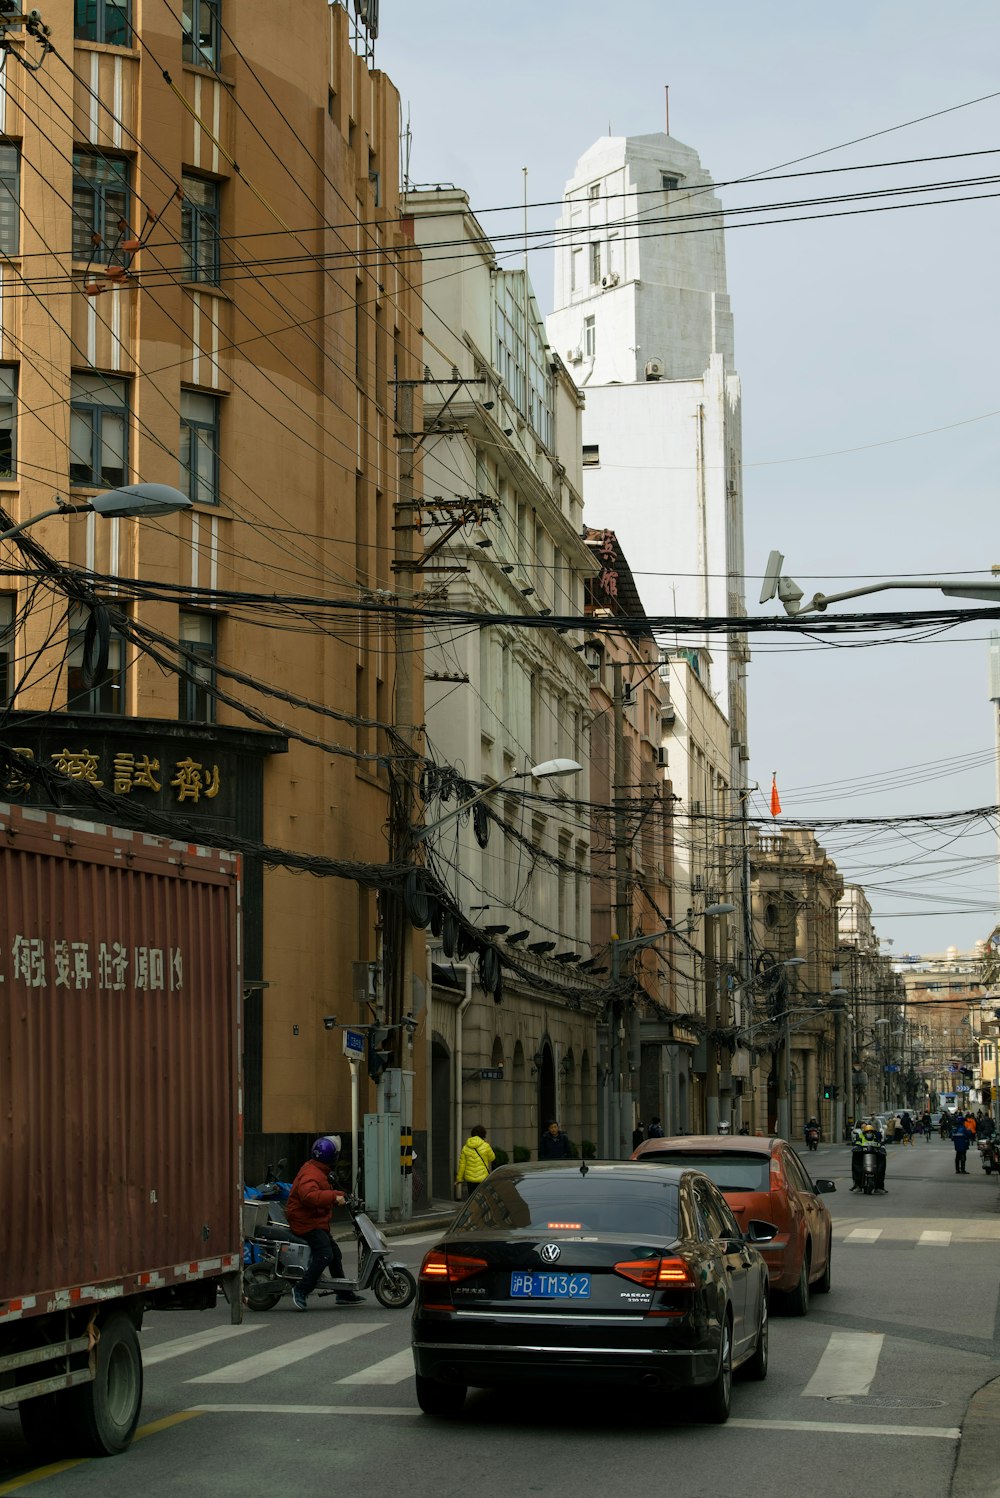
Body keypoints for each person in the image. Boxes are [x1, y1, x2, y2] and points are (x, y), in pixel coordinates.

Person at [286, 1137, 364, 1311]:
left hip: (315, 1221)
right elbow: (309, 1196)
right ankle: (301, 1289)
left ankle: (342, 1292)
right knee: (325, 1254)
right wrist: (333, 1197)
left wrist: (342, 1195)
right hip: (306, 1222)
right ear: (331, 1157)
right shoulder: (311, 1173)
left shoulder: (318, 1170)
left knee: (335, 1253)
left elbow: (323, 1191)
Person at [456, 1123, 495, 1194]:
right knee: (481, 1198)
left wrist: (459, 1178)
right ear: (483, 1135)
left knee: (472, 1199)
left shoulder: (465, 1147)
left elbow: (462, 1164)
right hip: (482, 1178)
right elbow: (492, 1158)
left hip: (470, 1179)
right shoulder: (486, 1146)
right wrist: (487, 1144)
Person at [851, 1120, 887, 1192]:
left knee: (882, 1161)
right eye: (867, 1132)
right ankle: (857, 1185)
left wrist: (882, 1148)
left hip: (875, 1156)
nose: (869, 1133)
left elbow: (881, 1143)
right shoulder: (860, 1136)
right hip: (862, 1155)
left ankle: (879, 1187)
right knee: (855, 1159)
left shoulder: (876, 1137)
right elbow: (856, 1143)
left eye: (870, 1132)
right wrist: (857, 1148)